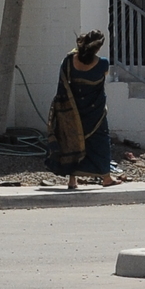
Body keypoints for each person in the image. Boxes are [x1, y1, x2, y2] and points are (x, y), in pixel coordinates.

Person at [45, 31, 114, 188]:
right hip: (94, 111)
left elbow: (63, 84)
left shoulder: (69, 61)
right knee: (100, 141)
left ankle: (72, 180)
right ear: (98, 47)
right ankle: (106, 178)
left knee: (72, 143)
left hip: (72, 111)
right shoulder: (103, 63)